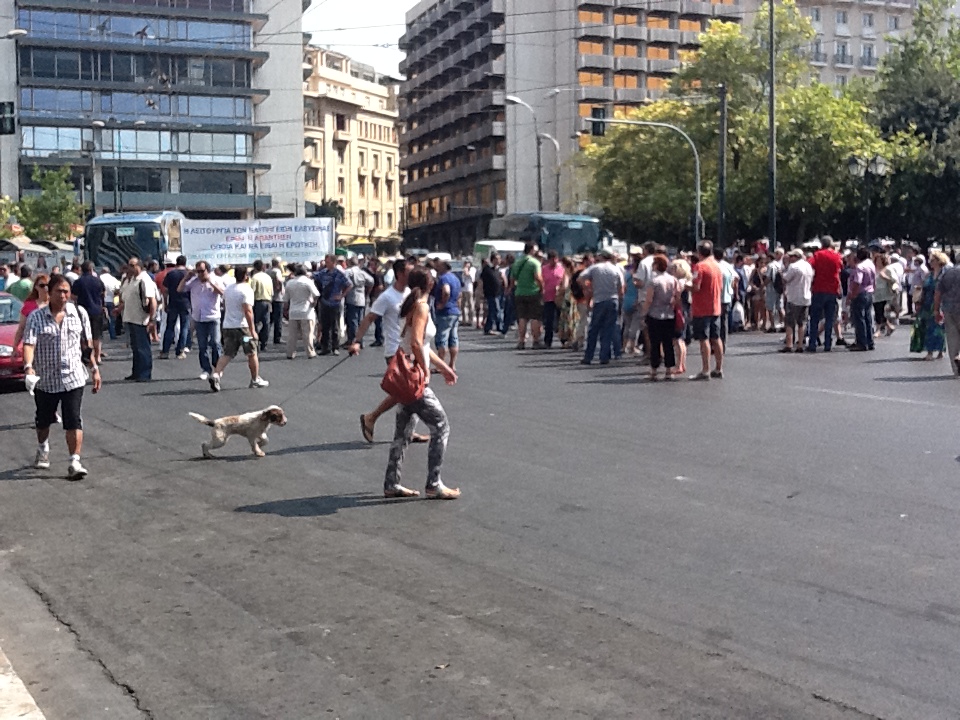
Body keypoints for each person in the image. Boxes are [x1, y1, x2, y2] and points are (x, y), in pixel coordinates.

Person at [382, 267, 460, 500]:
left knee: (403, 433)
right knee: (441, 426)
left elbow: (421, 345)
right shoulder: (421, 307)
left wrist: (444, 367)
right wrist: (425, 370)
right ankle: (433, 483)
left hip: (407, 374)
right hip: (414, 378)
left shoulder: (411, 304)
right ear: (431, 284)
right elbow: (416, 343)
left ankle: (391, 483)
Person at [22, 274, 101, 480]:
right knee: (43, 419)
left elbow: (86, 345)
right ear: (50, 292)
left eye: (66, 291)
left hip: (72, 377)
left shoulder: (79, 314)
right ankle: (43, 447)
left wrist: (94, 368)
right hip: (46, 380)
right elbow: (29, 344)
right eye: (59, 291)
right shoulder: (36, 317)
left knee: (73, 419)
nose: (63, 296)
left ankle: (74, 461)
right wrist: (29, 367)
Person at [350, 259, 427, 444]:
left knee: (408, 393)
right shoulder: (387, 297)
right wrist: (357, 341)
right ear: (399, 274)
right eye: (409, 272)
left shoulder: (410, 293)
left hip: (409, 348)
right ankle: (372, 417)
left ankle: (403, 429)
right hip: (395, 350)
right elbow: (369, 318)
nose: (412, 275)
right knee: (407, 391)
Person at [208, 265, 268, 391]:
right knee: (251, 352)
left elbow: (225, 304)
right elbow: (248, 311)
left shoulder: (229, 289)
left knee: (228, 353)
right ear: (246, 276)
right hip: (242, 329)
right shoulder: (246, 290)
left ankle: (216, 374)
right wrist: (252, 330)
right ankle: (255, 379)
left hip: (229, 327)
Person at [179, 261, 224, 381]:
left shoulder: (216, 280)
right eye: (197, 271)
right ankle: (205, 369)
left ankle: (218, 367)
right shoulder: (194, 282)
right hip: (198, 317)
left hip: (213, 316)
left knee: (215, 342)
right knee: (202, 345)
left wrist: (210, 282)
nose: (199, 274)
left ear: (207, 270)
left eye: (202, 271)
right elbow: (180, 289)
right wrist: (186, 277)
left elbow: (222, 292)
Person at [578, 249, 624, 365]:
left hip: (599, 300)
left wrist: (588, 288)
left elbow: (580, 278)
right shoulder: (616, 269)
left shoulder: (595, 268)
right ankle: (604, 356)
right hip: (613, 300)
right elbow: (621, 288)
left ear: (601, 257)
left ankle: (588, 356)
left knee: (594, 329)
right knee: (608, 329)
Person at [116, 258, 157, 382]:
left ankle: (145, 374)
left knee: (143, 348)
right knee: (135, 348)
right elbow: (126, 298)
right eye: (129, 265)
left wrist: (152, 320)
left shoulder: (144, 280)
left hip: (141, 319)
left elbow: (152, 301)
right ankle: (136, 372)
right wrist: (119, 309)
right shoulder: (131, 279)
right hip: (131, 318)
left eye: (132, 265)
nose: (129, 267)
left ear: (139, 266)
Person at [641, 254, 680, 381]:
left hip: (655, 314)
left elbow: (649, 299)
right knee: (668, 343)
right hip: (669, 314)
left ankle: (654, 370)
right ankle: (669, 370)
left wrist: (643, 313)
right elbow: (677, 296)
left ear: (657, 265)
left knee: (655, 343)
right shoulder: (673, 280)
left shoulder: (654, 281)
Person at [689, 241, 724, 380]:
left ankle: (705, 370)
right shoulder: (717, 266)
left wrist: (685, 286)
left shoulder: (700, 266)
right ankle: (719, 368)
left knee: (704, 339)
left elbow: (696, 287)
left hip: (702, 308)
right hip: (715, 307)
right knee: (716, 338)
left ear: (699, 252)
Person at [806, 236, 843, 352]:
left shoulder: (817, 255)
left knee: (815, 318)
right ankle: (828, 343)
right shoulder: (837, 255)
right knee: (829, 319)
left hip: (819, 288)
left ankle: (812, 343)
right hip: (832, 289)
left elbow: (809, 265)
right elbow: (840, 268)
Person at [313, 254, 352, 355]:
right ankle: (325, 347)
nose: (326, 264)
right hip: (324, 302)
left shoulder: (339, 274)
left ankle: (335, 347)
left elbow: (349, 285)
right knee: (324, 326)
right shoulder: (323, 273)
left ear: (334, 262)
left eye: (328, 262)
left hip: (334, 303)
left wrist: (342, 295)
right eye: (326, 262)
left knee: (335, 326)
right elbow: (314, 276)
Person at [71, 261, 107, 365]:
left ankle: (88, 356)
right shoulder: (98, 281)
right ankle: (97, 356)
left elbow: (73, 296)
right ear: (91, 269)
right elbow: (103, 294)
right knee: (97, 335)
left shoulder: (78, 282)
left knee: (84, 334)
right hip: (96, 310)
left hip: (82, 311)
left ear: (81, 270)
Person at [509, 243, 544, 349]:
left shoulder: (517, 263)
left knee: (522, 318)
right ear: (531, 250)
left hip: (520, 292)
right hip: (533, 292)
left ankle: (521, 341)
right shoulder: (534, 263)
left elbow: (512, 279)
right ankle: (535, 341)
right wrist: (542, 288)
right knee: (535, 317)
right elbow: (538, 277)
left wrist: (512, 289)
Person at [913, 251, 947, 361]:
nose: (930, 262)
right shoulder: (929, 274)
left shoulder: (944, 274)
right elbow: (924, 288)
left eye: (932, 260)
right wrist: (919, 301)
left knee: (938, 328)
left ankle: (940, 351)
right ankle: (930, 351)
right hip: (927, 304)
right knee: (927, 327)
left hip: (939, 303)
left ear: (939, 261)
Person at [780, 248, 814, 353]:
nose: (790, 258)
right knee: (802, 322)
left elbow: (785, 279)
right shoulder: (808, 266)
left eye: (791, 256)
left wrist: (781, 273)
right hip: (806, 297)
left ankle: (789, 344)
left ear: (796, 257)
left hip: (794, 297)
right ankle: (800, 345)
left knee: (789, 322)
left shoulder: (793, 267)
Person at [284, 263, 320, 359]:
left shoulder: (289, 283)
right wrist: (314, 303)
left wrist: (286, 310)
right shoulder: (308, 281)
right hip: (306, 311)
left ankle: (290, 353)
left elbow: (286, 299)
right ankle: (310, 352)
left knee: (292, 335)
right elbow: (316, 294)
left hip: (293, 312)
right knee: (308, 334)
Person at [159, 255, 191, 360]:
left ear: (176, 263)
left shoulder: (171, 274)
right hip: (186, 303)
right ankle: (180, 351)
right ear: (185, 263)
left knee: (170, 327)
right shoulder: (188, 274)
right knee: (184, 327)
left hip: (173, 302)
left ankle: (165, 351)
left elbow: (165, 290)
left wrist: (165, 303)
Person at [432, 259, 461, 369]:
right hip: (454, 310)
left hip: (445, 312)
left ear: (444, 267)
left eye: (439, 266)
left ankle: (441, 365)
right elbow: (459, 294)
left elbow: (446, 291)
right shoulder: (455, 278)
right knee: (453, 338)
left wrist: (443, 304)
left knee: (442, 338)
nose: (437, 268)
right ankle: (452, 364)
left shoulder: (444, 278)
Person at [847, 246, 877, 352]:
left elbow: (857, 282)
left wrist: (853, 294)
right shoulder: (871, 264)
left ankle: (861, 343)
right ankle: (870, 341)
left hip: (860, 293)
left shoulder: (860, 267)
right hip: (869, 292)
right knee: (868, 318)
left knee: (859, 319)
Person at [934, 254, 960, 375]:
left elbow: (938, 292)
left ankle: (956, 369)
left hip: (948, 308)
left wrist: (936, 310)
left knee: (952, 338)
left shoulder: (948, 273)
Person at [13, 274, 50, 351]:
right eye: (42, 286)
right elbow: (21, 328)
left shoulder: (55, 304)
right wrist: (15, 347)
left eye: (48, 285)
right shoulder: (29, 305)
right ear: (36, 287)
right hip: (32, 346)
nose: (45, 288)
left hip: (50, 346)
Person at [343, 256, 374, 347]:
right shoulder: (362, 272)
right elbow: (371, 281)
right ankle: (360, 340)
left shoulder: (349, 271)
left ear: (349, 263)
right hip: (361, 298)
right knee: (360, 320)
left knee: (352, 320)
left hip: (351, 298)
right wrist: (367, 291)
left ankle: (353, 341)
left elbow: (344, 281)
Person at [540, 250, 566, 349]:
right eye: (552, 260)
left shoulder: (561, 268)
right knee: (549, 321)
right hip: (548, 297)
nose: (554, 261)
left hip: (560, 297)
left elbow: (565, 281)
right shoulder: (544, 269)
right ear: (549, 260)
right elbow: (541, 281)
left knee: (561, 320)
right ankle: (548, 341)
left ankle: (564, 340)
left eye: (556, 259)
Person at [249, 259, 274, 352]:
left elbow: (252, 291)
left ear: (254, 267)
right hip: (268, 301)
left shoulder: (255, 278)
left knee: (254, 323)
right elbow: (272, 292)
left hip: (258, 302)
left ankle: (256, 342)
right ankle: (264, 343)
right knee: (266, 323)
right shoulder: (268, 277)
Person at [480, 253, 503, 334]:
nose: (498, 260)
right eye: (496, 259)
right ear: (492, 260)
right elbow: (481, 281)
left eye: (499, 258)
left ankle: (488, 327)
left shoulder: (498, 270)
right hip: (491, 294)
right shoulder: (487, 270)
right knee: (496, 310)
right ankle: (500, 328)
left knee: (493, 311)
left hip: (498, 293)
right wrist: (481, 292)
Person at [100, 267, 121, 341]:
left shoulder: (99, 278)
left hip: (101, 301)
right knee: (112, 319)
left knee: (100, 319)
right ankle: (113, 334)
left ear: (102, 271)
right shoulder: (113, 279)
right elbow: (118, 290)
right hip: (111, 301)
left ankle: (100, 336)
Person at [270, 257, 285, 346]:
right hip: (278, 297)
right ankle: (277, 338)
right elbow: (279, 281)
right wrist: (279, 288)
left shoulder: (268, 271)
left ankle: (264, 336)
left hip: (271, 297)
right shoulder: (277, 271)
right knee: (278, 319)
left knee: (270, 319)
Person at [460, 259, 476, 326]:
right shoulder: (463, 270)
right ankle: (464, 320)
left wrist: (466, 270)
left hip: (469, 289)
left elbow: (471, 278)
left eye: (467, 263)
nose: (466, 264)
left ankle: (470, 320)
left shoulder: (472, 269)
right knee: (462, 305)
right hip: (463, 289)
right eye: (465, 263)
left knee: (470, 304)